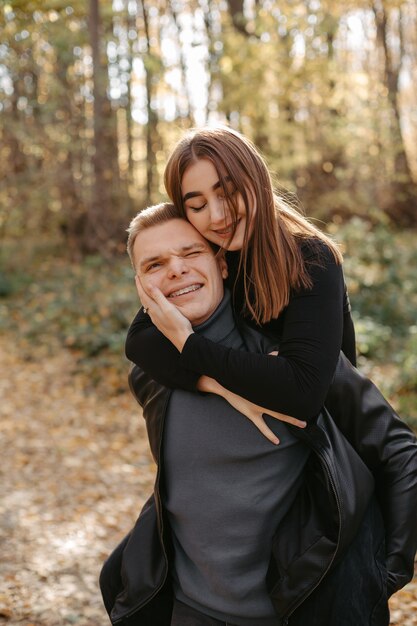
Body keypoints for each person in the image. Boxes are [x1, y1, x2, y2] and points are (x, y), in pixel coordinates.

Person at [124, 126, 417, 599]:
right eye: (196, 204)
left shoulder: (310, 257)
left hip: (331, 445)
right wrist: (222, 386)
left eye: (228, 192)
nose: (216, 215)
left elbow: (301, 391)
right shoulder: (214, 254)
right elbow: (139, 340)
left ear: (255, 179)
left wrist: (191, 346)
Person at [100, 203, 396, 626]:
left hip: (293, 613)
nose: (176, 270)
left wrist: (387, 572)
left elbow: (395, 452)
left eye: (191, 254)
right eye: (156, 264)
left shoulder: (293, 372)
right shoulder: (153, 379)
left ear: (222, 264)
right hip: (187, 611)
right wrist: (214, 381)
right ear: (141, 285)